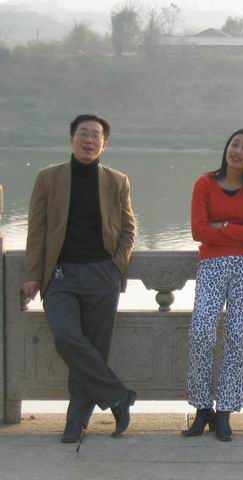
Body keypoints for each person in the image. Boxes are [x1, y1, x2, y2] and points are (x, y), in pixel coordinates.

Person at [22, 114, 137, 443]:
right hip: (60, 275)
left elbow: (129, 230)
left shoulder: (117, 181)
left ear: (104, 143)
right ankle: (118, 396)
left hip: (102, 273)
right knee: (67, 338)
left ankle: (76, 422)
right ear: (71, 139)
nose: (89, 140)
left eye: (95, 135)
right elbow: (37, 229)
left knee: (94, 349)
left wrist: (116, 266)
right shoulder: (48, 178)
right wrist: (32, 273)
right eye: (83, 133)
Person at [185, 128, 243, 441]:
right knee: (201, 331)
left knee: (236, 335)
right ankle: (201, 407)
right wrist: (238, 228)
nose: (238, 151)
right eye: (235, 144)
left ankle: (225, 411)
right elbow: (198, 231)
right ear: (226, 148)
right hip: (211, 264)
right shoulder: (205, 183)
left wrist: (219, 227)